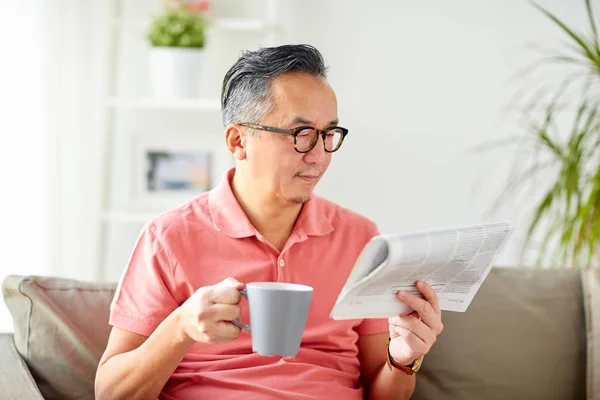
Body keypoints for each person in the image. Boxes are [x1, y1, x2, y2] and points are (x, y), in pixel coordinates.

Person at [95, 44, 443, 400]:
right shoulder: (168, 238)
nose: (320, 156)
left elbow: (384, 393)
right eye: (301, 134)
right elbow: (110, 393)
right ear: (238, 140)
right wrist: (181, 327)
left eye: (328, 135)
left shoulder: (361, 239)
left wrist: (403, 360)